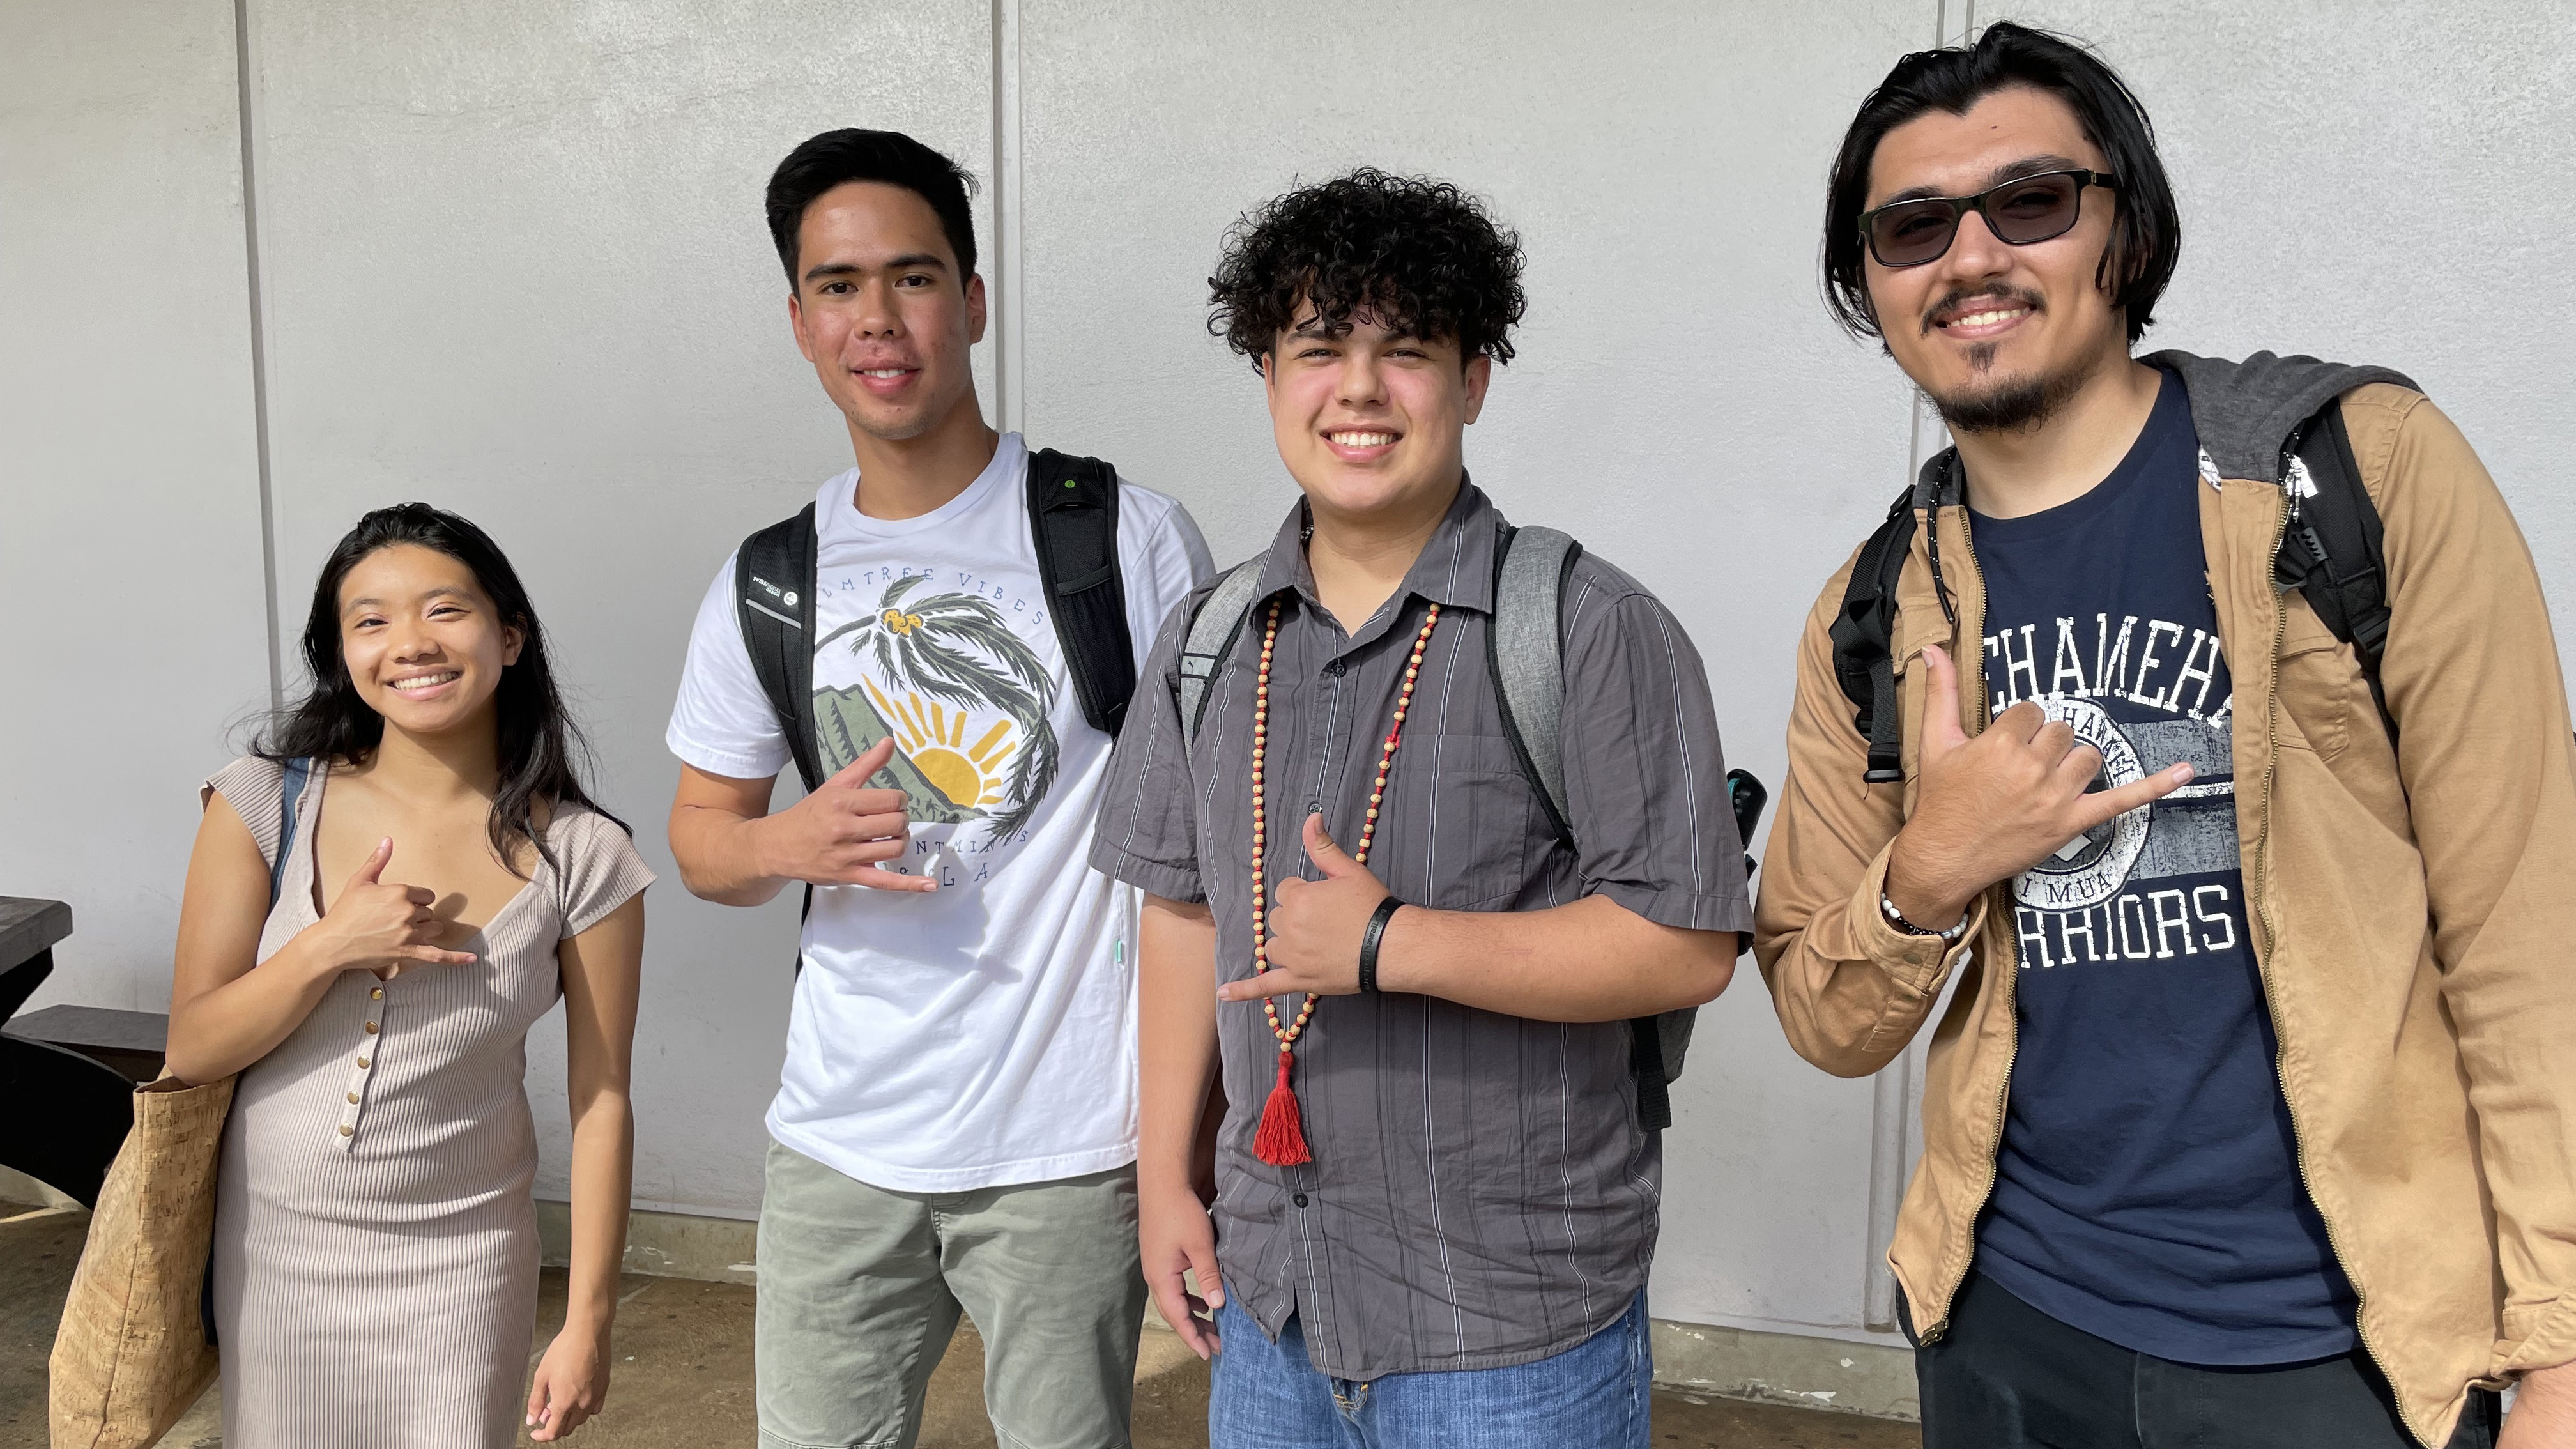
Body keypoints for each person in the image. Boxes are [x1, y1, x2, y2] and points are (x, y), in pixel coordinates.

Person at [1755, 22, 2576, 1449]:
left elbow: (2527, 926)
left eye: (2030, 202)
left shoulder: (2358, 472)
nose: (1970, 256)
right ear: (1871, 285)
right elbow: (1825, 1014)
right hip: (2008, 1323)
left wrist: (2562, 1348)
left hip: (2342, 1352)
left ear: (2122, 230)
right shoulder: (1879, 605)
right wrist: (1928, 874)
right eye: (1912, 226)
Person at [1093, 168, 1748, 1449]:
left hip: (1507, 1335)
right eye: (1319, 348)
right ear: (1270, 375)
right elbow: (1178, 911)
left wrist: (1392, 942)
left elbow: (1690, 943)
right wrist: (1165, 1178)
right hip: (1270, 1302)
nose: (1358, 389)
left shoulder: (1594, 630)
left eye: (1406, 352)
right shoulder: (1210, 635)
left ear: (1473, 379)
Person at [662, 127, 1211, 1449]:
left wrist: (1178, 1140)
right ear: (800, 323)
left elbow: (1203, 847)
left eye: (912, 278)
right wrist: (781, 841)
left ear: (970, 301)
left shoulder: (1121, 535)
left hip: (1069, 1143)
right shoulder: (773, 579)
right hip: (840, 1142)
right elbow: (698, 841)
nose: (878, 318)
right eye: (839, 287)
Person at [169, 503, 652, 1446]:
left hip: (466, 1263)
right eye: (372, 620)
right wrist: (326, 946)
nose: (411, 644)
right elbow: (192, 1045)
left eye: (445, 611)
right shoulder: (264, 802)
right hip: (276, 1257)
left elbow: (602, 1098)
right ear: (342, 652)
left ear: (509, 636)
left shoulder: (585, 858)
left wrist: (590, 1318)